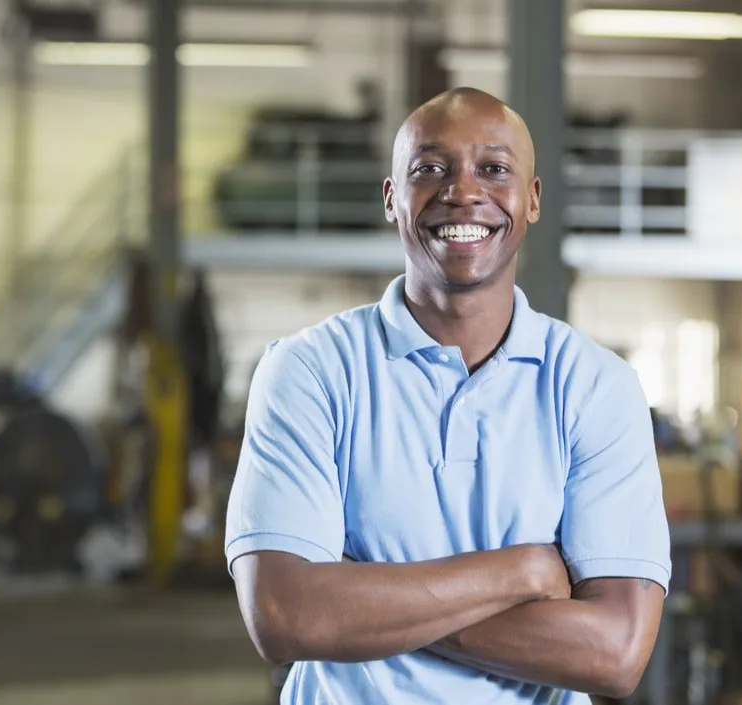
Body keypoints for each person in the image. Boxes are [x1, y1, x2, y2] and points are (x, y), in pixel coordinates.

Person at [223, 87, 671, 704]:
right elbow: (284, 615)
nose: (463, 190)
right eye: (429, 169)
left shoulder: (595, 388)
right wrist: (524, 572)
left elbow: (615, 652)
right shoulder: (309, 371)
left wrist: (360, 601)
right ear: (391, 198)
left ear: (532, 199)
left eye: (493, 168)